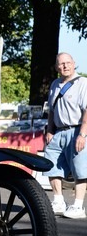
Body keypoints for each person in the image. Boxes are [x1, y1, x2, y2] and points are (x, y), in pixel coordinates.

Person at [43, 52, 87, 219]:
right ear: (56, 67)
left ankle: (78, 205)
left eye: (68, 62)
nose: (65, 66)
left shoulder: (83, 83)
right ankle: (59, 201)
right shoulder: (54, 84)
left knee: (80, 168)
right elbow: (51, 111)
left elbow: (86, 111)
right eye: (61, 64)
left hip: (77, 130)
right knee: (51, 164)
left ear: (74, 63)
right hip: (58, 132)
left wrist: (82, 135)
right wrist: (50, 130)